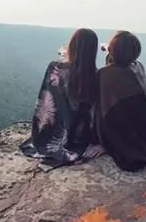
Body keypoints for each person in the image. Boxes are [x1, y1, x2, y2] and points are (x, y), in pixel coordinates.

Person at [19, 28, 103, 169]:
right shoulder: (95, 75)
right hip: (80, 136)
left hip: (52, 136)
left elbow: (45, 99)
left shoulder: (55, 68)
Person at [95, 30, 146, 171]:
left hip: (125, 135)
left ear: (113, 52)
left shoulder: (106, 75)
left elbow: (102, 109)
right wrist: (108, 47)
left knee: (99, 110)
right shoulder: (137, 67)